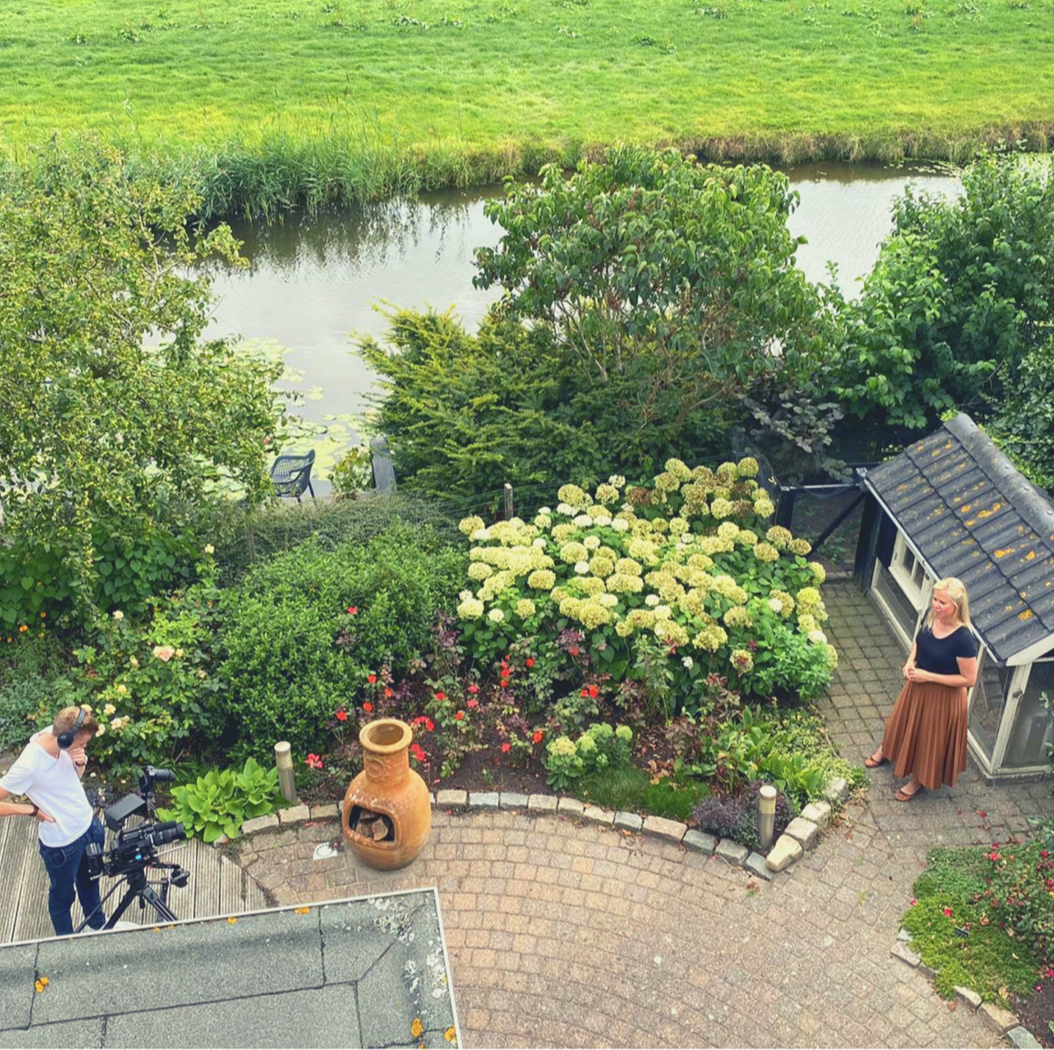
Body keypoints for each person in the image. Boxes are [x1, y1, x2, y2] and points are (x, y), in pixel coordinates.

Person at [865, 577, 979, 802]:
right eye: (935, 599)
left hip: (944, 698)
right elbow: (920, 641)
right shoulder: (933, 617)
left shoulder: (963, 639)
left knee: (929, 739)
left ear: (956, 606)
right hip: (917, 687)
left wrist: (929, 676)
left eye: (942, 602)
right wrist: (909, 663)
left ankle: (919, 779)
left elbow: (969, 679)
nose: (936, 605)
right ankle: (886, 750)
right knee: (900, 722)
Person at [0, 705, 107, 935]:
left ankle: (99, 930)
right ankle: (65, 947)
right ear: (66, 739)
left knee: (91, 885)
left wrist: (80, 763)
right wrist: (31, 810)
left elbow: (70, 780)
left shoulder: (60, 735)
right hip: (62, 845)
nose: (83, 747)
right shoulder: (30, 763)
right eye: (81, 744)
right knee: (62, 898)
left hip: (89, 827)